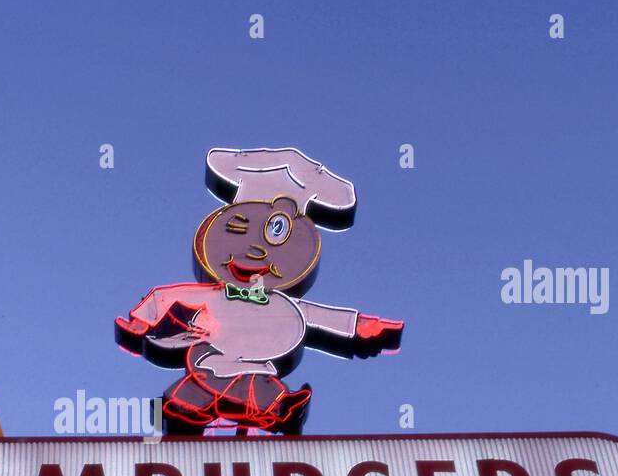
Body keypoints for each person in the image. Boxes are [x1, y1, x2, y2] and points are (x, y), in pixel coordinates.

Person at [115, 147, 404, 434]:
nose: (254, 251)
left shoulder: (282, 304)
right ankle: (270, 409)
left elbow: (320, 317)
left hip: (255, 364)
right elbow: (167, 298)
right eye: (238, 229)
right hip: (214, 358)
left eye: (276, 238)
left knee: (227, 389)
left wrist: (360, 325)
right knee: (225, 391)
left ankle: (185, 415)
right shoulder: (213, 295)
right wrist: (142, 322)